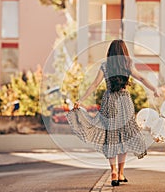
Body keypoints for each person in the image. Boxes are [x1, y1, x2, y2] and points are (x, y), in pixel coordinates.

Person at [66, 39, 159, 187]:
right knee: (124, 136)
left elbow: (94, 84)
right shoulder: (128, 65)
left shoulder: (105, 66)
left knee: (111, 137)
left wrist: (81, 99)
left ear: (110, 52)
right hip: (124, 102)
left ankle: (114, 171)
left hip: (109, 101)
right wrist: (154, 89)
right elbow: (141, 78)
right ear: (124, 52)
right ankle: (121, 173)